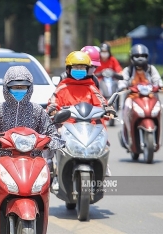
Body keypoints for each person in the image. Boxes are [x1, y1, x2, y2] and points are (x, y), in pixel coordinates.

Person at [0, 65, 65, 184]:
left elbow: (52, 133)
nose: (19, 90)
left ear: (30, 88)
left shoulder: (37, 111)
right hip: (0, 158)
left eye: (22, 87)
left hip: (32, 160)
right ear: (6, 88)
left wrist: (51, 142)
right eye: (15, 87)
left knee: (44, 181)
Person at [46, 51, 115, 182]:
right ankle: (49, 165)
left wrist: (108, 109)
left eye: (82, 68)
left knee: (104, 138)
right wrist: (52, 109)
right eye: (76, 68)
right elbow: (53, 102)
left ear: (88, 69)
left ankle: (104, 165)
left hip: (89, 126)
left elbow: (102, 102)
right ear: (68, 69)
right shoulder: (62, 87)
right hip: (66, 127)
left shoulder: (91, 88)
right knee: (51, 138)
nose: (79, 70)